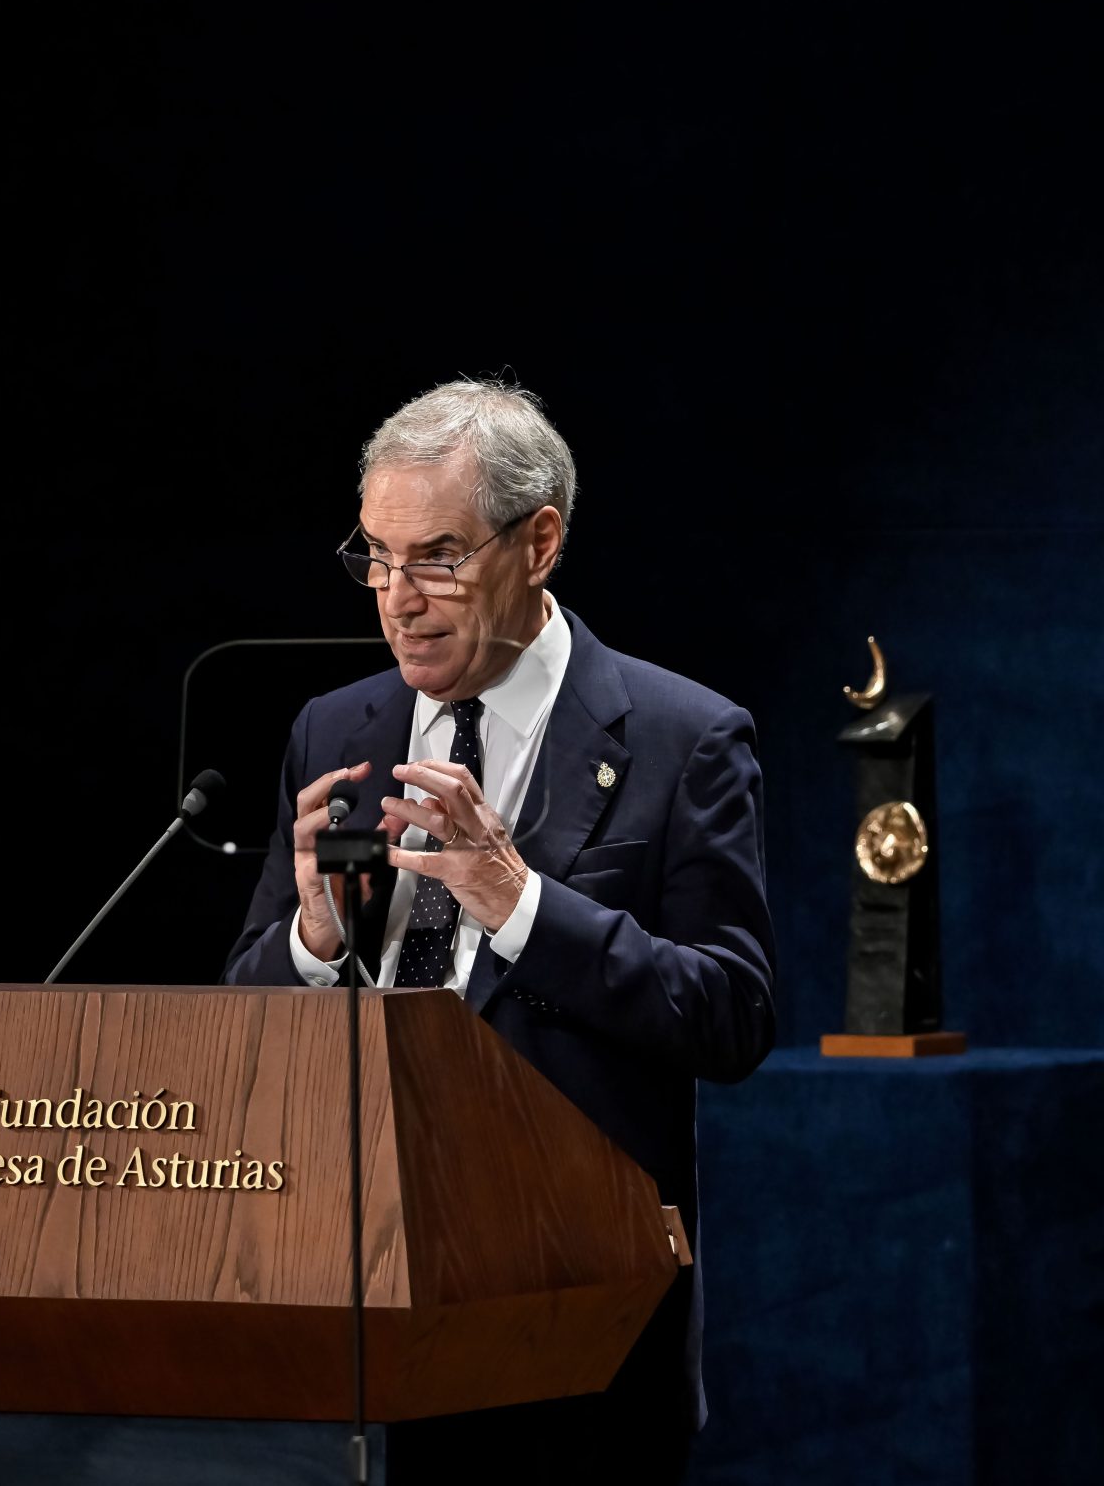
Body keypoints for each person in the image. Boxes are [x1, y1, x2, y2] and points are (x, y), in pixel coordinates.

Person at [221, 378, 777, 1481]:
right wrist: (313, 947)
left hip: (571, 1319)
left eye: (437, 556)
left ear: (540, 543)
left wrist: (520, 904)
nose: (397, 598)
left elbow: (731, 1015)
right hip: (351, 1304)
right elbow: (251, 1012)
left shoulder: (683, 739)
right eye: (375, 558)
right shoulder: (337, 728)